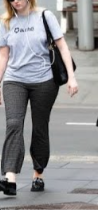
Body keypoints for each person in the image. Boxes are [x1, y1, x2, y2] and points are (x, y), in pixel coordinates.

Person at [0, 0, 78, 196]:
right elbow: (3, 55)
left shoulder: (45, 16)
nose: (16, 1)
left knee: (40, 126)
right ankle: (10, 179)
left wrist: (72, 77)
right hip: (14, 79)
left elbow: (62, 46)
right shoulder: (5, 21)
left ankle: (38, 173)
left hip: (44, 80)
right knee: (14, 124)